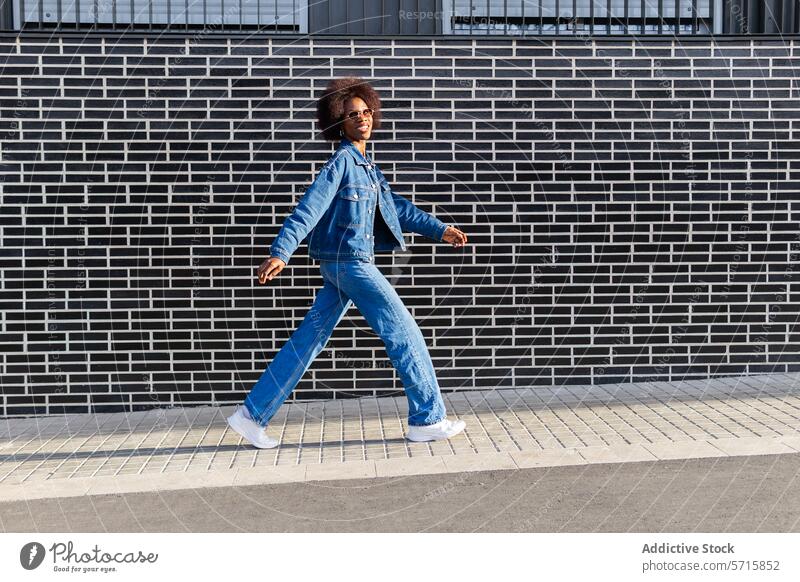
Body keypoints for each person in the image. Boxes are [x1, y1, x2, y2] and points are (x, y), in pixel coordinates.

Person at [226, 77, 470, 449]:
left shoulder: (366, 167)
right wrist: (281, 250)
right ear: (338, 121)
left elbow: (396, 209)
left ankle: (251, 416)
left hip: (342, 264)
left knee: (308, 340)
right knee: (404, 332)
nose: (362, 119)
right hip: (350, 262)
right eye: (353, 114)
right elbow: (309, 208)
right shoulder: (341, 163)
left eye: (367, 112)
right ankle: (427, 418)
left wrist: (439, 229)